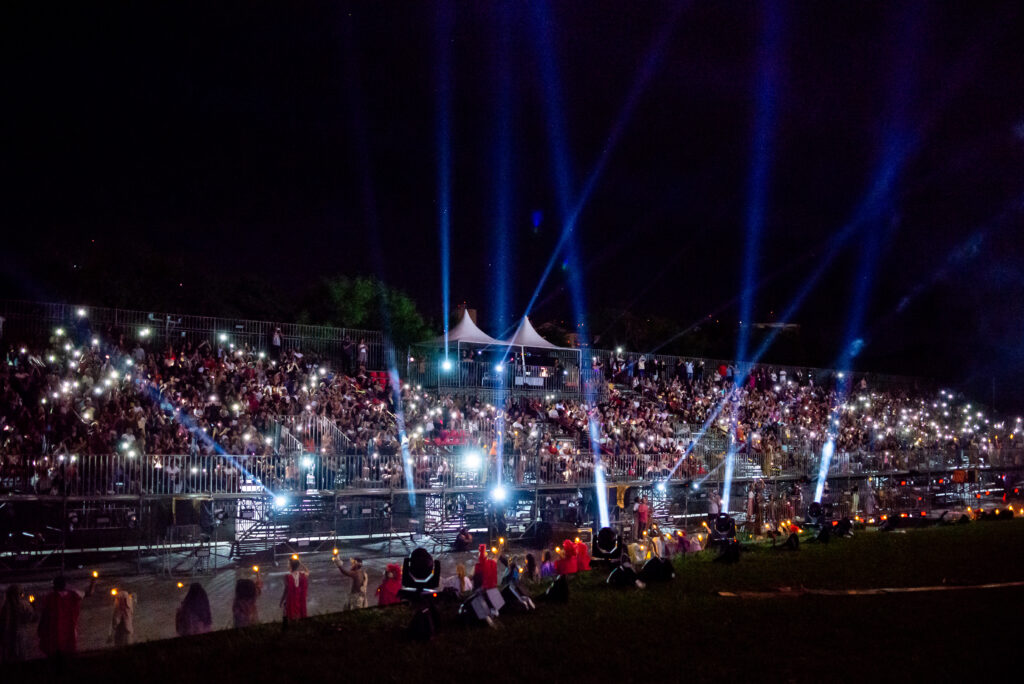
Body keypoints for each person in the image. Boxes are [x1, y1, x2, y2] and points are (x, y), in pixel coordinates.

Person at [37, 575, 83, 659]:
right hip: (69, 629)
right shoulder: (72, 595)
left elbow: (45, 614)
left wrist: (41, 628)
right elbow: (85, 594)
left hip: (54, 631)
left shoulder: (50, 597)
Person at [0, 584, 36, 663]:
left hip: (9, 634)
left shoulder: (5, 606)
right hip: (20, 633)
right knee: (21, 653)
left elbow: (3, 622)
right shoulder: (24, 605)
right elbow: (31, 616)